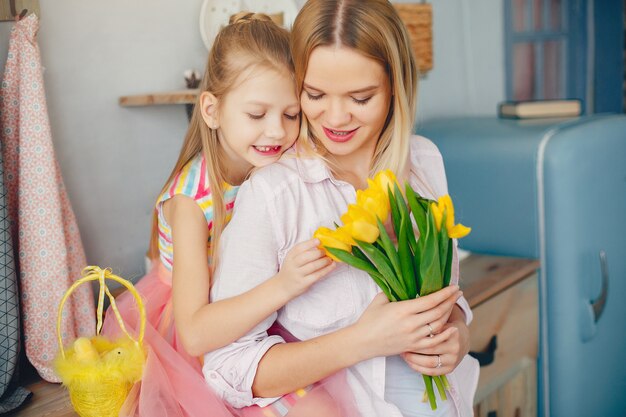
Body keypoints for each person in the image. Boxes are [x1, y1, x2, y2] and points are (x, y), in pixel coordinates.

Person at [203, 1, 480, 416]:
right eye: (314, 94)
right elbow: (228, 367)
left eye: (360, 97)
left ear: (395, 86)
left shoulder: (424, 163)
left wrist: (458, 334)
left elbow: (449, 296)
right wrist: (363, 341)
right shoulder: (276, 194)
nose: (334, 117)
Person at [101, 12, 338, 417]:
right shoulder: (192, 202)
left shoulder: (275, 162)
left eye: (290, 114)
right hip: (203, 328)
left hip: (255, 307)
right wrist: (285, 285)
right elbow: (195, 334)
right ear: (211, 110)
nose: (277, 132)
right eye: (256, 114)